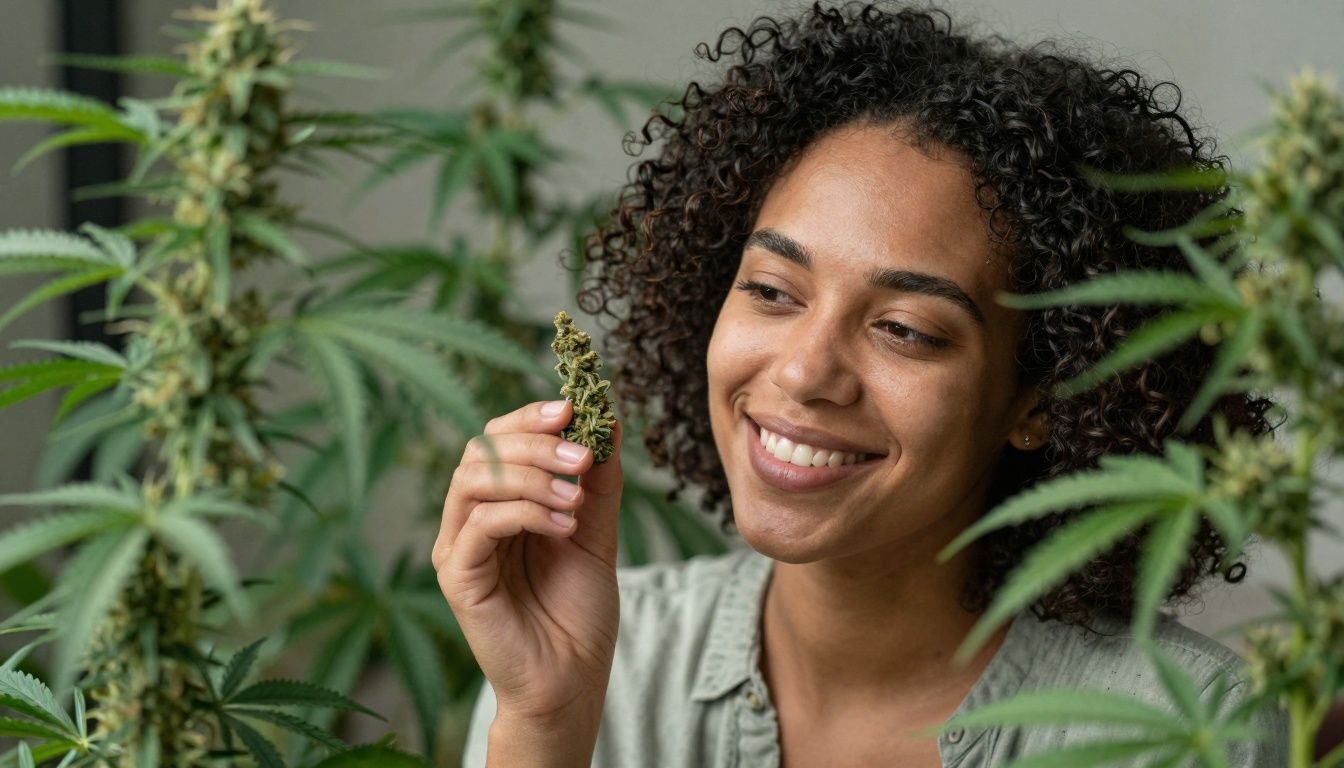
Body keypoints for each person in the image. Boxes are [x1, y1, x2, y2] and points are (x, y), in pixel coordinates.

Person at [432, 2, 1290, 765]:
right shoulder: (612, 655)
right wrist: (546, 721)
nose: (805, 373)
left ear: (1042, 397)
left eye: (906, 330)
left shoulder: (1183, 727)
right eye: (771, 291)